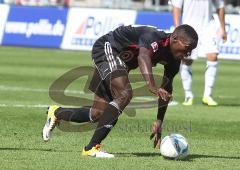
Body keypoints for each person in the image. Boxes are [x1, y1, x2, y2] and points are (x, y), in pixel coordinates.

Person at [42, 24, 198, 158]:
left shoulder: (174, 61)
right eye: (187, 48)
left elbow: (166, 89)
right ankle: (91, 148)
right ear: (175, 39)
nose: (188, 53)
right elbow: (143, 56)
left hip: (120, 63)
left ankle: (56, 113)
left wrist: (159, 121)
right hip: (108, 48)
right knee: (124, 94)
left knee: (97, 114)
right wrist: (151, 85)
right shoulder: (154, 37)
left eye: (191, 50)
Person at [171, 0, 227, 106]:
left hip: (208, 26)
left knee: (213, 55)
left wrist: (223, 28)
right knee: (187, 60)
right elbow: (176, 7)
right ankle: (188, 96)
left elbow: (220, 6)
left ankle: (207, 96)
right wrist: (177, 28)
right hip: (189, 26)